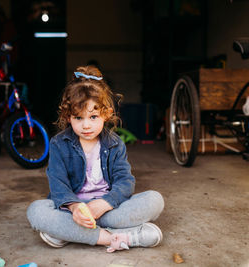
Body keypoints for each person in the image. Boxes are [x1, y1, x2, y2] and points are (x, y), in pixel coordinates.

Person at [27, 65, 164, 252]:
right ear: (68, 117)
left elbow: (125, 181)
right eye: (78, 118)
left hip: (109, 210)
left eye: (93, 117)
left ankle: (70, 233)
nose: (86, 126)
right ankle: (118, 237)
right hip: (72, 211)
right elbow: (58, 184)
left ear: (106, 114)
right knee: (36, 211)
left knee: (154, 200)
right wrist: (75, 208)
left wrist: (105, 203)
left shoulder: (115, 144)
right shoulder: (59, 143)